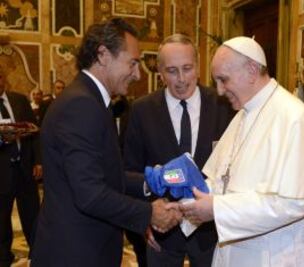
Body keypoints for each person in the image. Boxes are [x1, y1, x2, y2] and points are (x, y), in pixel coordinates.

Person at [30, 18, 182, 267]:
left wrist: (153, 179)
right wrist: (149, 214)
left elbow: (104, 174)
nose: (138, 73)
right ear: (102, 55)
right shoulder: (81, 105)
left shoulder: (89, 100)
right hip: (76, 254)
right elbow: (90, 193)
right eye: (132, 63)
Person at [180, 36, 304, 267]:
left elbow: (294, 203)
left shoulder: (293, 117)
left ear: (252, 70)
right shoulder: (243, 114)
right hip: (234, 252)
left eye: (224, 80)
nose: (220, 91)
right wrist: (190, 202)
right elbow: (222, 178)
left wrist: (216, 209)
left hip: (275, 256)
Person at [124, 34, 234, 267]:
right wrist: (144, 218)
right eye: (172, 71)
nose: (181, 79)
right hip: (162, 231)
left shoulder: (223, 105)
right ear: (160, 73)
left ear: (198, 67)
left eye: (187, 68)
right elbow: (128, 172)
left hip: (212, 231)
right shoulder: (140, 111)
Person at [0, 66, 42, 267]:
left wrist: (38, 161)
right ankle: (3, 258)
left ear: (4, 78)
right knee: (1, 220)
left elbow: (35, 133)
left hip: (25, 169)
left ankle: (38, 254)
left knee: (33, 215)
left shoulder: (19, 100)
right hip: (1, 174)